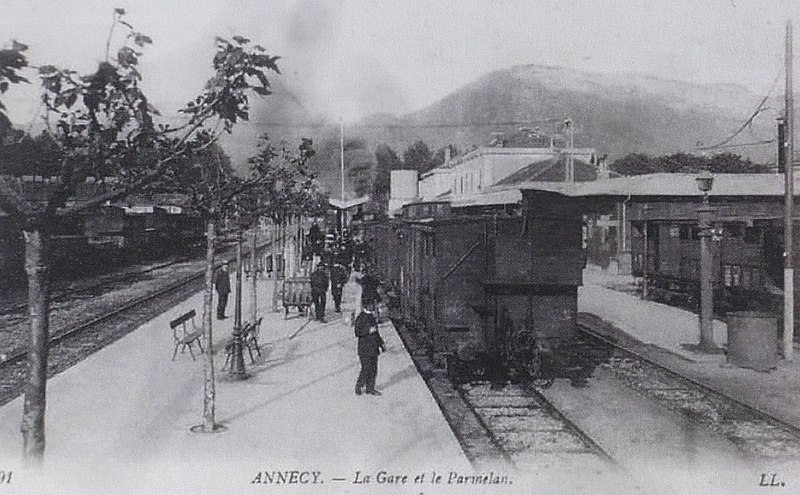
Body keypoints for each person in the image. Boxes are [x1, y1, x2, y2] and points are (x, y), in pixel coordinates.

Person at [354, 303, 386, 396]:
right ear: (365, 307)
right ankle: (359, 386)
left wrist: (381, 344)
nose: (373, 307)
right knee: (366, 368)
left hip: (373, 347)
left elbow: (376, 333)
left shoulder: (371, 317)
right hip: (364, 349)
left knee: (374, 369)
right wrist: (368, 331)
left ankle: (370, 388)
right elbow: (357, 332)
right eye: (371, 306)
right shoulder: (360, 318)